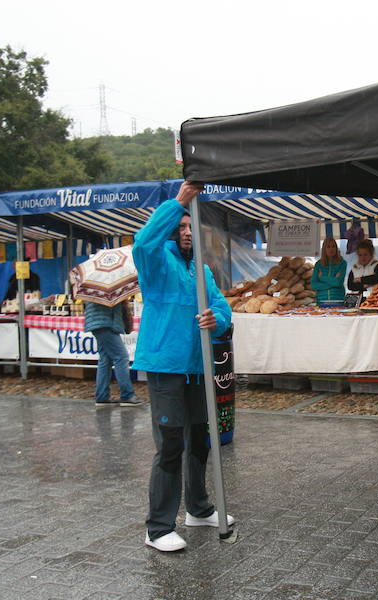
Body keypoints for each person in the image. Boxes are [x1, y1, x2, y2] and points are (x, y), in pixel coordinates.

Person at [132, 181, 234, 553]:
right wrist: (178, 204)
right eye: (182, 227)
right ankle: (158, 528)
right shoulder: (156, 262)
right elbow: (143, 242)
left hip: (196, 367)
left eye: (191, 226)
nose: (188, 232)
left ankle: (197, 508)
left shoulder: (202, 271)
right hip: (165, 366)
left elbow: (223, 308)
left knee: (199, 439)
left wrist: (216, 320)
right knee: (171, 443)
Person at [84, 300, 140, 407]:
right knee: (121, 357)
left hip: (97, 323)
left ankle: (102, 396)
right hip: (105, 322)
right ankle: (127, 395)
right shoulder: (107, 289)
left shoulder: (94, 288)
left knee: (105, 359)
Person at [311, 236, 347, 306]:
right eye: (328, 247)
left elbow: (338, 282)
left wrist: (322, 278)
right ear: (324, 249)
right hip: (321, 301)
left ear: (336, 248)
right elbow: (314, 285)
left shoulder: (342, 263)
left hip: (338, 299)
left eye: (333, 246)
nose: (331, 249)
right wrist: (332, 282)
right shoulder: (318, 264)